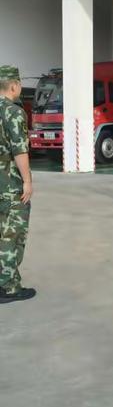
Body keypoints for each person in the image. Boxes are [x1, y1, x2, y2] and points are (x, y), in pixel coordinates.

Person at [0, 65, 35, 304]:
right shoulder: (13, 112)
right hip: (10, 184)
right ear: (14, 85)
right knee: (12, 235)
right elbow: (19, 150)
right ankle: (9, 287)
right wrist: (27, 181)